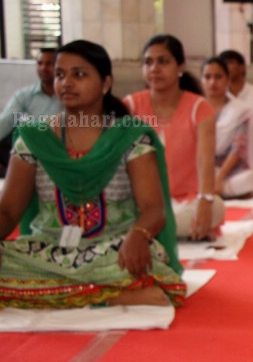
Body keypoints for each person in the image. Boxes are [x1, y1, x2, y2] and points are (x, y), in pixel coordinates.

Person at [0, 39, 184, 309]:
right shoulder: (34, 138)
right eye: (60, 75)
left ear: (106, 83)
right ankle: (109, 297)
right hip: (48, 252)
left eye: (79, 74)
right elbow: (7, 212)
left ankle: (60, 297)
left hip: (112, 250)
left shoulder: (129, 137)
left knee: (144, 261)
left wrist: (138, 235)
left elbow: (153, 209)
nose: (67, 83)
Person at [125, 34, 224, 241]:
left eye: (163, 61)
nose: (154, 69)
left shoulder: (199, 107)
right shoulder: (130, 106)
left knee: (216, 208)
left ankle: (148, 231)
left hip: (185, 202)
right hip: (141, 202)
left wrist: (205, 200)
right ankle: (151, 229)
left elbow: (205, 160)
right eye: (148, 62)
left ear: (180, 67)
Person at [201, 57, 253, 199]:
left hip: (230, 173)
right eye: (207, 77)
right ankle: (215, 190)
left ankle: (215, 189)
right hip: (201, 170)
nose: (212, 82)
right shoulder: (194, 109)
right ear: (201, 80)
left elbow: (238, 150)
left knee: (250, 179)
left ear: (228, 80)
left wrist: (218, 178)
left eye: (218, 77)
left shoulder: (240, 110)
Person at [0, 47, 61, 175]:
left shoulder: (70, 96)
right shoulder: (24, 96)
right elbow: (4, 123)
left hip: (61, 154)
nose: (43, 68)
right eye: (40, 63)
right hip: (31, 153)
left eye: (49, 63)